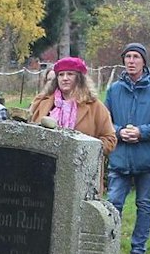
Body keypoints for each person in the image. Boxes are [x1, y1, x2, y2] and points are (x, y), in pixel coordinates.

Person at [103, 43, 150, 254]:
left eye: (136, 57)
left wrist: (142, 132)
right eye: (127, 57)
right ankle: (109, 249)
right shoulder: (114, 90)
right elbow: (105, 121)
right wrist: (119, 131)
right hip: (119, 157)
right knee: (113, 204)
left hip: (146, 157)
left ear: (144, 61)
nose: (131, 61)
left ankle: (138, 250)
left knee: (144, 205)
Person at [28, 57, 117, 187]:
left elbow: (110, 139)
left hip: (81, 177)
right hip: (44, 173)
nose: (65, 78)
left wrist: (84, 148)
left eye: (70, 74)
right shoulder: (42, 102)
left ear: (79, 78)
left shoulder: (95, 106)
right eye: (61, 75)